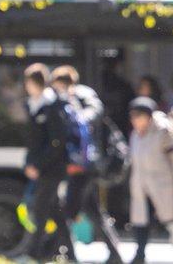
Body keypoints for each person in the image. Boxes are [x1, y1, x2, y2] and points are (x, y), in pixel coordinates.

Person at [52, 63, 128, 264]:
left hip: (84, 165)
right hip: (83, 164)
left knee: (68, 210)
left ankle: (60, 251)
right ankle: (114, 253)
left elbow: (94, 112)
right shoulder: (70, 98)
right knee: (93, 211)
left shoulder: (81, 95)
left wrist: (76, 117)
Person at [14, 61, 75, 260]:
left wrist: (38, 165)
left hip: (52, 168)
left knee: (40, 211)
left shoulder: (51, 106)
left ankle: (34, 254)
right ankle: (72, 253)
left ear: (34, 83)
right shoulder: (34, 105)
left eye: (28, 82)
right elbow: (34, 142)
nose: (26, 86)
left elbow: (56, 143)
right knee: (55, 211)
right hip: (43, 168)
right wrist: (29, 164)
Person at [127, 95, 173, 264]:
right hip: (142, 187)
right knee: (141, 222)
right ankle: (140, 254)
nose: (135, 120)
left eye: (138, 116)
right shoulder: (135, 135)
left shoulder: (164, 131)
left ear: (148, 116)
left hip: (164, 186)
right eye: (133, 116)